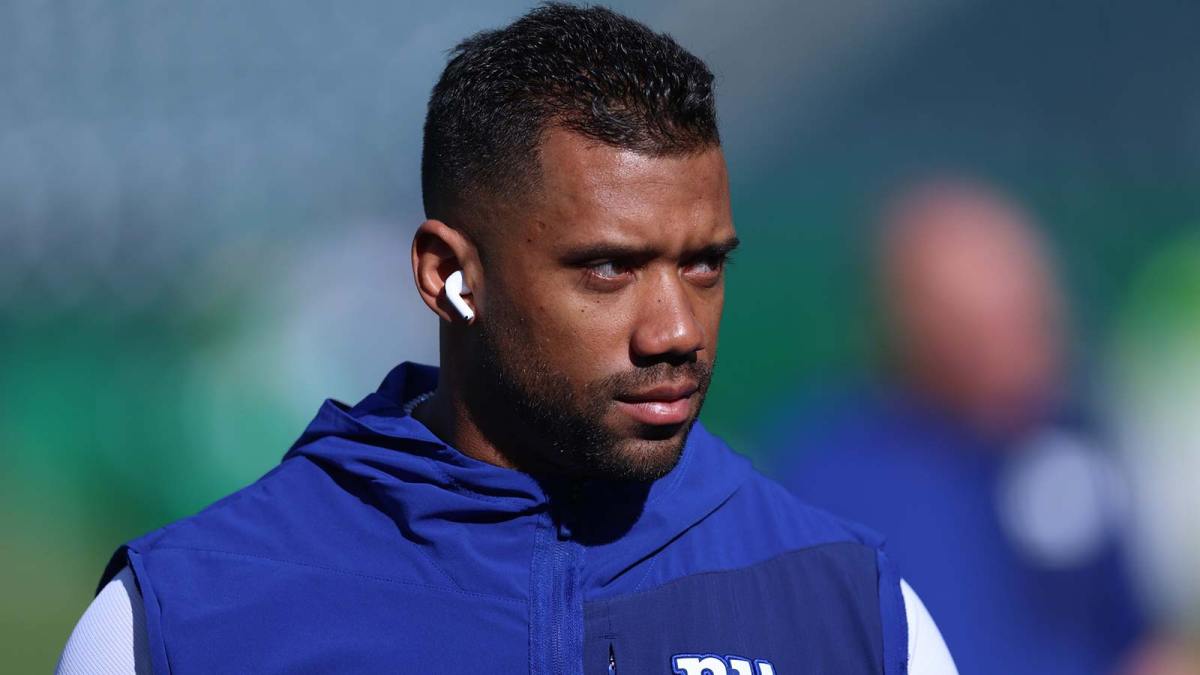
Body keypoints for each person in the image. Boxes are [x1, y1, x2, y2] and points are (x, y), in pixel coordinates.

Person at [57, 5, 955, 673]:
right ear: (449, 276)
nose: (676, 328)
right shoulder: (184, 621)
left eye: (704, 265)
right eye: (608, 268)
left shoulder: (855, 608)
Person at [774, 178, 1143, 675]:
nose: (1029, 350)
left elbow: (1135, 632)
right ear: (915, 329)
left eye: (1032, 316)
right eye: (987, 328)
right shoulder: (830, 475)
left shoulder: (1070, 440)